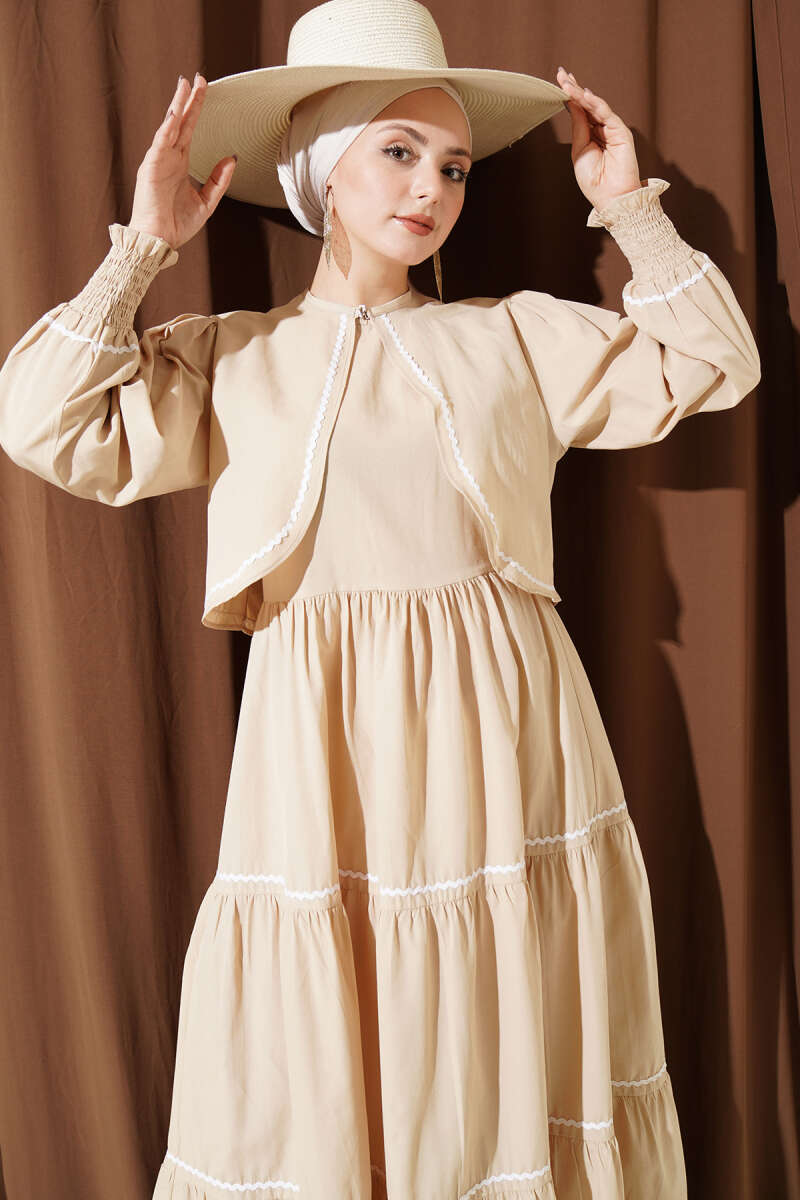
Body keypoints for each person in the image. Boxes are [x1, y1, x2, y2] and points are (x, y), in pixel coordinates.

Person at [0, 0, 760, 1197]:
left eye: (451, 165)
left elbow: (714, 363)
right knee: (334, 1023)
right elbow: (41, 422)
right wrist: (141, 248)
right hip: (322, 747)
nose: (429, 188)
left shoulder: (510, 339)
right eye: (397, 152)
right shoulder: (232, 356)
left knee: (500, 1002)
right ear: (321, 168)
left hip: (505, 729)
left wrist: (627, 208)